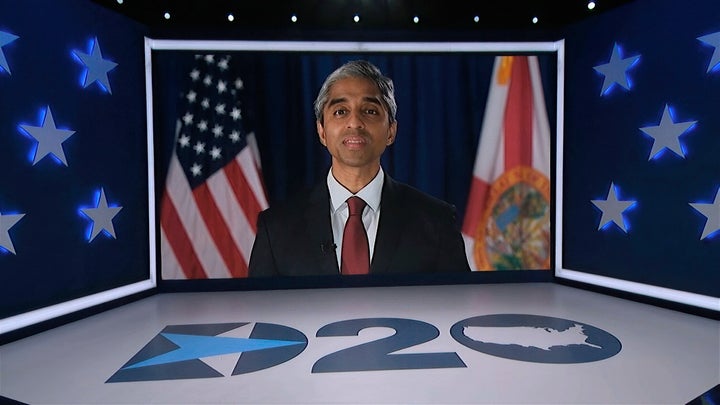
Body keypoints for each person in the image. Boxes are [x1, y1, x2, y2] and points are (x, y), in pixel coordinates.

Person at [248, 60, 470, 277]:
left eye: (370, 111)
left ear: (391, 131)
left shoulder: (436, 221)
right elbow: (259, 312)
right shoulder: (276, 228)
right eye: (340, 112)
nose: (354, 122)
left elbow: (459, 308)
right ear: (322, 131)